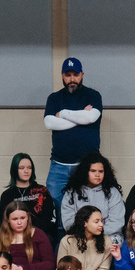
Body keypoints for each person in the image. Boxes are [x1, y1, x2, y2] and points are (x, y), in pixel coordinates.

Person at [44, 57, 103, 206]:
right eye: (68, 75)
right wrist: (80, 115)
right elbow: (49, 122)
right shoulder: (54, 98)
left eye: (75, 75)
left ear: (82, 74)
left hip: (86, 166)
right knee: (55, 207)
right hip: (59, 166)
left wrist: (62, 113)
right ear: (62, 76)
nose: (72, 79)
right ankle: (60, 231)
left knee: (87, 208)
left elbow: (91, 117)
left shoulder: (93, 96)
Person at [61, 155, 125, 244]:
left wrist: (96, 234)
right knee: (64, 243)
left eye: (101, 171)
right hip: (79, 236)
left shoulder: (113, 192)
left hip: (108, 235)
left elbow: (116, 222)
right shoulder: (72, 192)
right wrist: (87, 235)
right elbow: (68, 222)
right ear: (85, 172)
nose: (97, 175)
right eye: (93, 171)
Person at [0, 153, 57, 242]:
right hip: (14, 236)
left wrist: (33, 232)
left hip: (39, 234)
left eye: (29, 168)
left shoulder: (42, 190)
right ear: (15, 170)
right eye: (22, 168)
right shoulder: (7, 195)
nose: (26, 171)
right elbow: (3, 222)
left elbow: (50, 218)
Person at [57, 206, 113, 270]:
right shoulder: (67, 241)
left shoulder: (106, 241)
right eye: (96, 221)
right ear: (84, 223)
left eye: (101, 221)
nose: (101, 224)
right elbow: (60, 268)